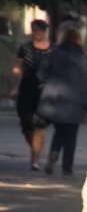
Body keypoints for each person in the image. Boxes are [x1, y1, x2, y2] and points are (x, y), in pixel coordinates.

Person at [35, 26, 87, 178]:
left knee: (59, 130)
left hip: (54, 100)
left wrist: (46, 82)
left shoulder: (54, 55)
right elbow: (86, 85)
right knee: (71, 136)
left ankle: (53, 152)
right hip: (75, 101)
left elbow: (40, 73)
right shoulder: (82, 59)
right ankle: (67, 169)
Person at [11, 19, 51, 170]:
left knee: (39, 126)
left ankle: (35, 159)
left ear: (45, 31)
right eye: (34, 30)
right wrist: (14, 87)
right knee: (27, 124)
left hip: (44, 90)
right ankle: (35, 149)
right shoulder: (24, 48)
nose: (37, 33)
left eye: (40, 30)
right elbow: (18, 67)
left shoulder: (52, 50)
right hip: (27, 88)